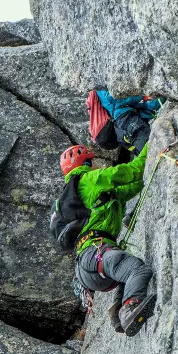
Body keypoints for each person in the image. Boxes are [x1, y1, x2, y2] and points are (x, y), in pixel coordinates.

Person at [60, 142, 156, 337]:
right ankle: (129, 309)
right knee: (137, 270)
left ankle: (117, 313)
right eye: (92, 161)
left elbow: (133, 185)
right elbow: (132, 171)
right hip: (96, 254)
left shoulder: (86, 195)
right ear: (85, 163)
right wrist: (152, 143)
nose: (96, 164)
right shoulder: (88, 180)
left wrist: (153, 169)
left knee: (125, 271)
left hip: (89, 268)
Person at [88, 89, 162, 160]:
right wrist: (141, 97)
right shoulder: (102, 89)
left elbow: (150, 106)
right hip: (126, 120)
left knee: (146, 152)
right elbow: (113, 98)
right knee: (151, 146)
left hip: (122, 129)